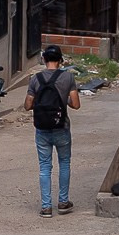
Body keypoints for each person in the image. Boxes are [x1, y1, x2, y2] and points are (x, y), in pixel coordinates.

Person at [25, 45, 82, 216]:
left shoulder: (36, 79)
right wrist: (63, 101)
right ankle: (63, 202)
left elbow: (28, 105)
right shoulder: (68, 78)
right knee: (64, 163)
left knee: (44, 167)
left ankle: (46, 207)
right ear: (61, 60)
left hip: (42, 129)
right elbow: (76, 104)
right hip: (61, 127)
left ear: (43, 59)